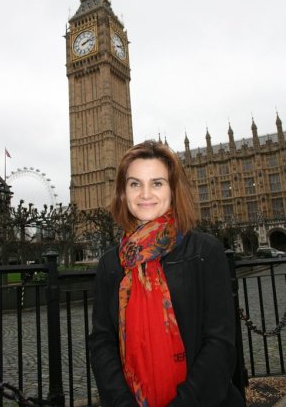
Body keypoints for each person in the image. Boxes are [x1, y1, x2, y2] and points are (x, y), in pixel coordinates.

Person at [89, 140, 245, 407]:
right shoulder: (111, 263)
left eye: (157, 183)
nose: (145, 193)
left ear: (173, 190)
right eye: (135, 183)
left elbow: (219, 344)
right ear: (123, 193)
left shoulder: (205, 251)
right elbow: (102, 343)